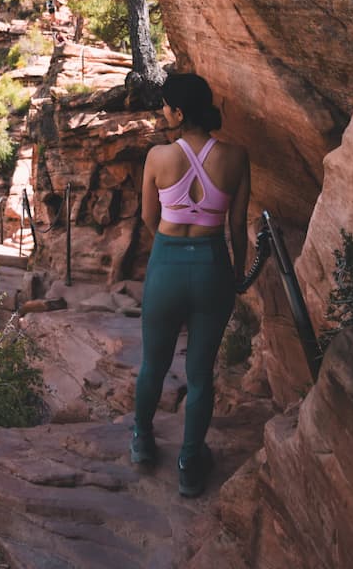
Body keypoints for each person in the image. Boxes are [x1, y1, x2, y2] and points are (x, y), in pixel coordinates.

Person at [131, 72, 250, 497]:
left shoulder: (158, 157)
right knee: (200, 375)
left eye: (166, 106)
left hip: (166, 265)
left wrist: (169, 246)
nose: (163, 112)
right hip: (213, 266)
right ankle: (188, 460)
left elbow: (148, 217)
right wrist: (237, 276)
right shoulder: (236, 157)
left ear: (180, 112)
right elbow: (238, 227)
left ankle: (143, 441)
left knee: (153, 365)